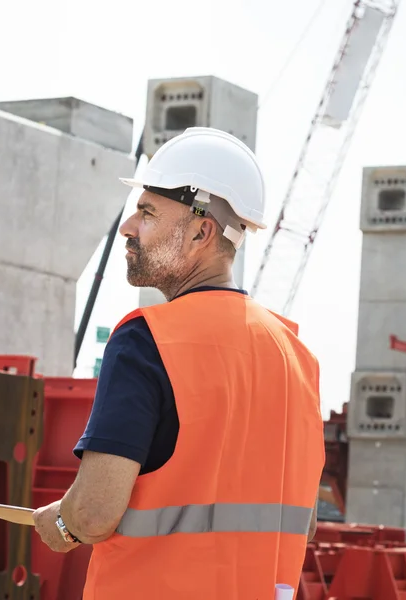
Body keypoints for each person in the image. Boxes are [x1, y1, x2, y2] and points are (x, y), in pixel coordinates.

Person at [33, 127, 325, 599]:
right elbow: (304, 522)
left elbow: (92, 513)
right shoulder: (297, 357)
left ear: (200, 231)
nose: (128, 228)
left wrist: (63, 522)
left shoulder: (147, 340)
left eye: (147, 213)